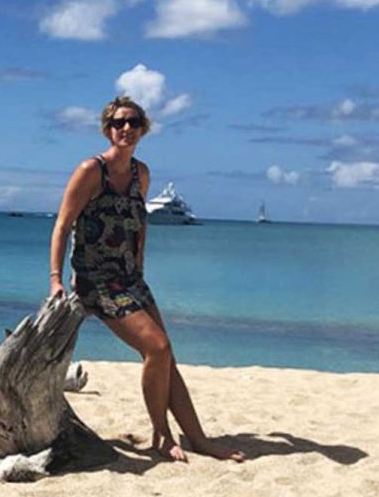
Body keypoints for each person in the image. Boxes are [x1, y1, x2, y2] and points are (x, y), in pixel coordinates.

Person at [49, 96, 244, 463]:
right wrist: (57, 279)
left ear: (143, 128)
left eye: (134, 122)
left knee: (165, 356)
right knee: (157, 348)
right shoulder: (91, 170)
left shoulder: (142, 173)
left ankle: (198, 438)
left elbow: (139, 223)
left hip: (131, 277)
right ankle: (161, 435)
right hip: (97, 280)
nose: (127, 128)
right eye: (119, 122)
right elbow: (62, 225)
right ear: (108, 128)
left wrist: (139, 265)